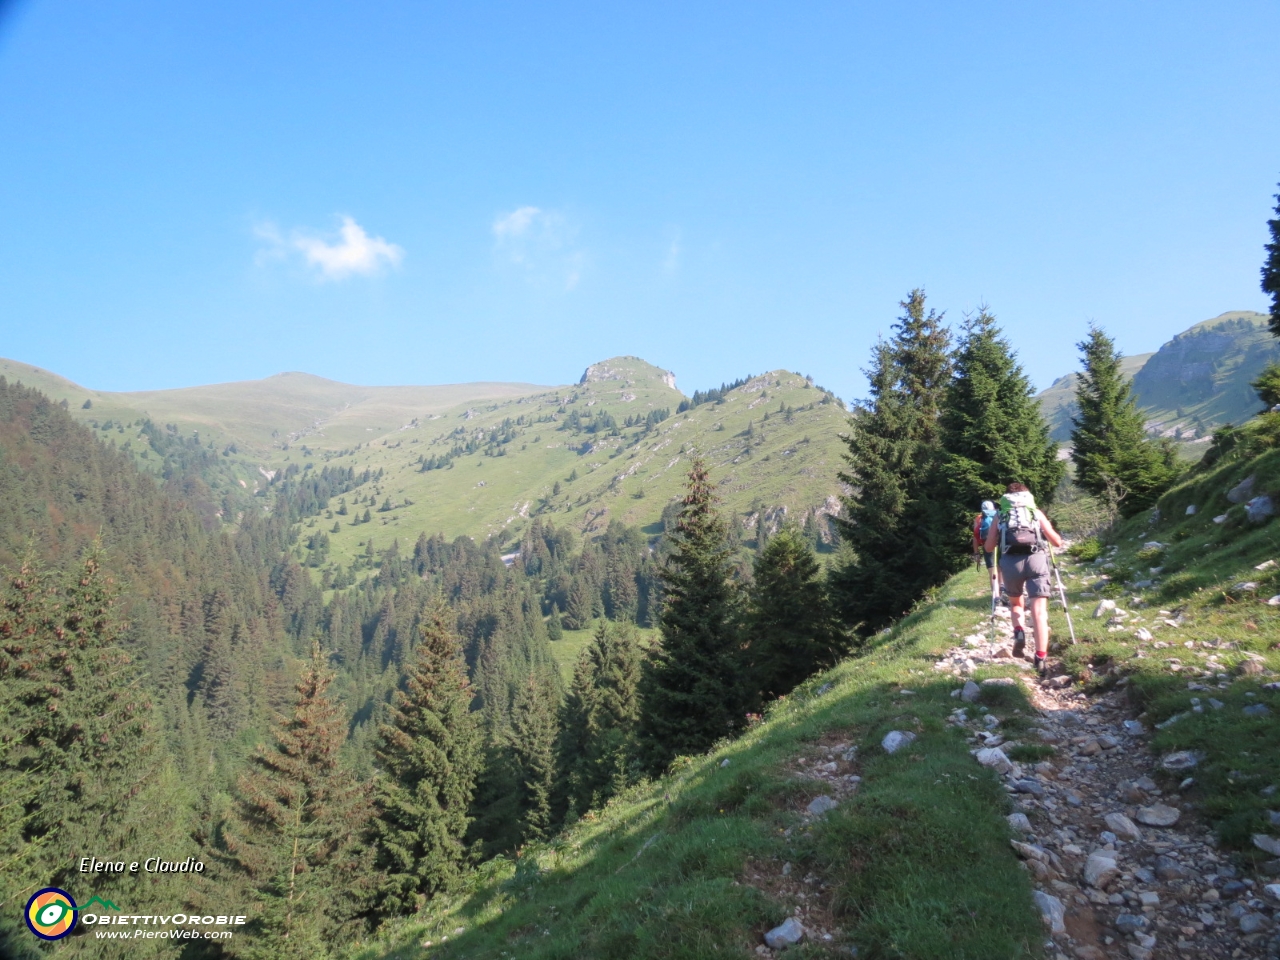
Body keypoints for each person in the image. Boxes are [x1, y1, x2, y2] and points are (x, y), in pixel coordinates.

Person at [984, 482, 1064, 677]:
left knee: (1016, 603)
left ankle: (1019, 631)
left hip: (1010, 562)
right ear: (1027, 495)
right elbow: (1057, 542)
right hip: (1036, 559)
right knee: (1039, 611)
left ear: (1006, 497)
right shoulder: (1034, 512)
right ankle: (1041, 657)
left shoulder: (1000, 514)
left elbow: (988, 547)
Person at [972, 500, 1001, 601]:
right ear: (993, 508)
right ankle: (1004, 593)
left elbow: (976, 537)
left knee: (992, 571)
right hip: (1000, 544)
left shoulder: (979, 518)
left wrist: (976, 553)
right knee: (1001, 569)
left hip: (987, 545)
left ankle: (995, 596)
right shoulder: (999, 514)